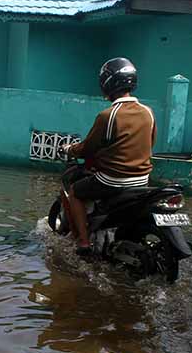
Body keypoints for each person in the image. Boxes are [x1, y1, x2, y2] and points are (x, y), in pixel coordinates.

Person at [63, 57, 156, 255]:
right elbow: (149, 144)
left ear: (107, 83)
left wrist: (70, 149)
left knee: (75, 192)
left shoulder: (109, 115)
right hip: (142, 180)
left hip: (113, 180)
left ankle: (84, 242)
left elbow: (88, 148)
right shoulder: (148, 112)